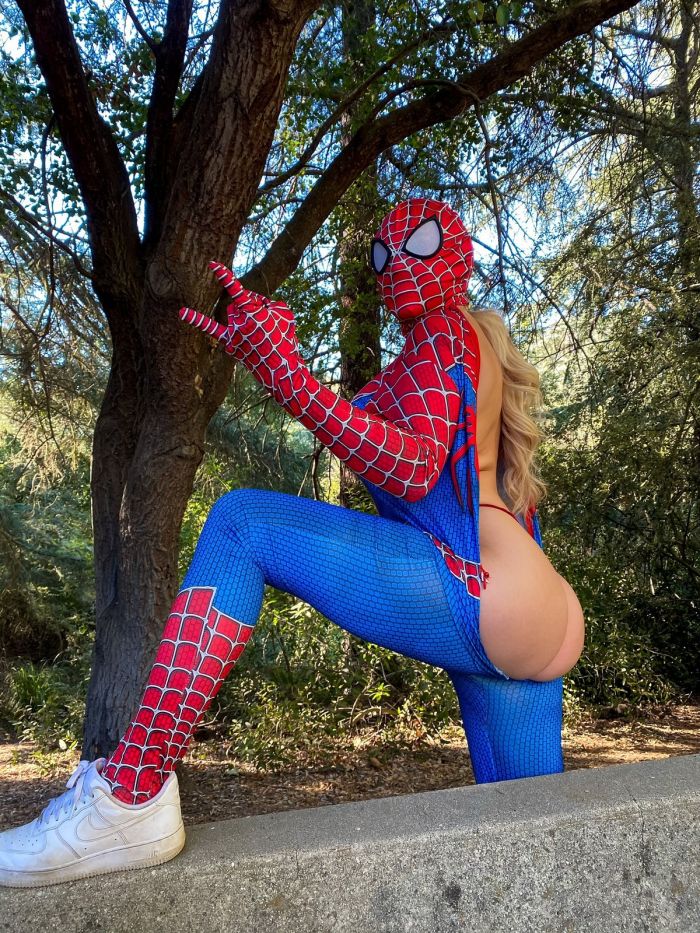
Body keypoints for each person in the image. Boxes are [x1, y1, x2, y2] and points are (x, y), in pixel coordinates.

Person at [0, 198, 584, 887]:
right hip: (532, 604)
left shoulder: (444, 334)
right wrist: (280, 362)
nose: (396, 263)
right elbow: (355, 428)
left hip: (483, 587)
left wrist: (290, 376)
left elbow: (413, 465)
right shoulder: (435, 360)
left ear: (459, 257)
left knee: (242, 523)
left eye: (420, 242)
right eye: (381, 254)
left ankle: (132, 789)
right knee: (540, 854)